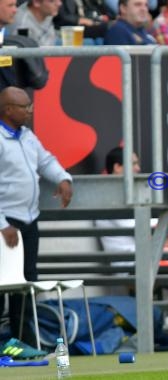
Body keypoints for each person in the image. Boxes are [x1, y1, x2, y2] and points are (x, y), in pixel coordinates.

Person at [0, 86, 73, 345]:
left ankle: (23, 343)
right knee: (2, 284)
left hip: (29, 220)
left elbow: (45, 161)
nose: (30, 111)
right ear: (8, 110)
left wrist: (63, 178)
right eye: (24, 107)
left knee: (26, 281)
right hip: (5, 224)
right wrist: (2, 224)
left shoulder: (27, 136)